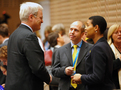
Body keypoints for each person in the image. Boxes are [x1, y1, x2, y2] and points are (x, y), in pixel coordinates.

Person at [4, 2, 52, 90]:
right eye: (40, 18)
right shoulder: (29, 36)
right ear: (31, 17)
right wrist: (48, 78)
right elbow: (37, 67)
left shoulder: (14, 34)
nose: (42, 21)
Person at [71, 16, 115, 90]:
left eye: (88, 25)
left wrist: (81, 77)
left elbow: (98, 77)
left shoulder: (98, 48)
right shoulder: (104, 44)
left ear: (96, 28)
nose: (85, 28)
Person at [52, 21, 92, 90]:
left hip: (83, 87)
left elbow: (94, 71)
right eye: (71, 29)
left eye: (76, 30)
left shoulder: (91, 49)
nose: (72, 32)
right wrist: (64, 71)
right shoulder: (60, 50)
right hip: (65, 87)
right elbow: (54, 70)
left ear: (82, 34)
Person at [107, 24, 121, 89]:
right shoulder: (107, 49)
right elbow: (107, 67)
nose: (119, 34)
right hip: (114, 85)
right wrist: (119, 60)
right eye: (116, 33)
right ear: (111, 35)